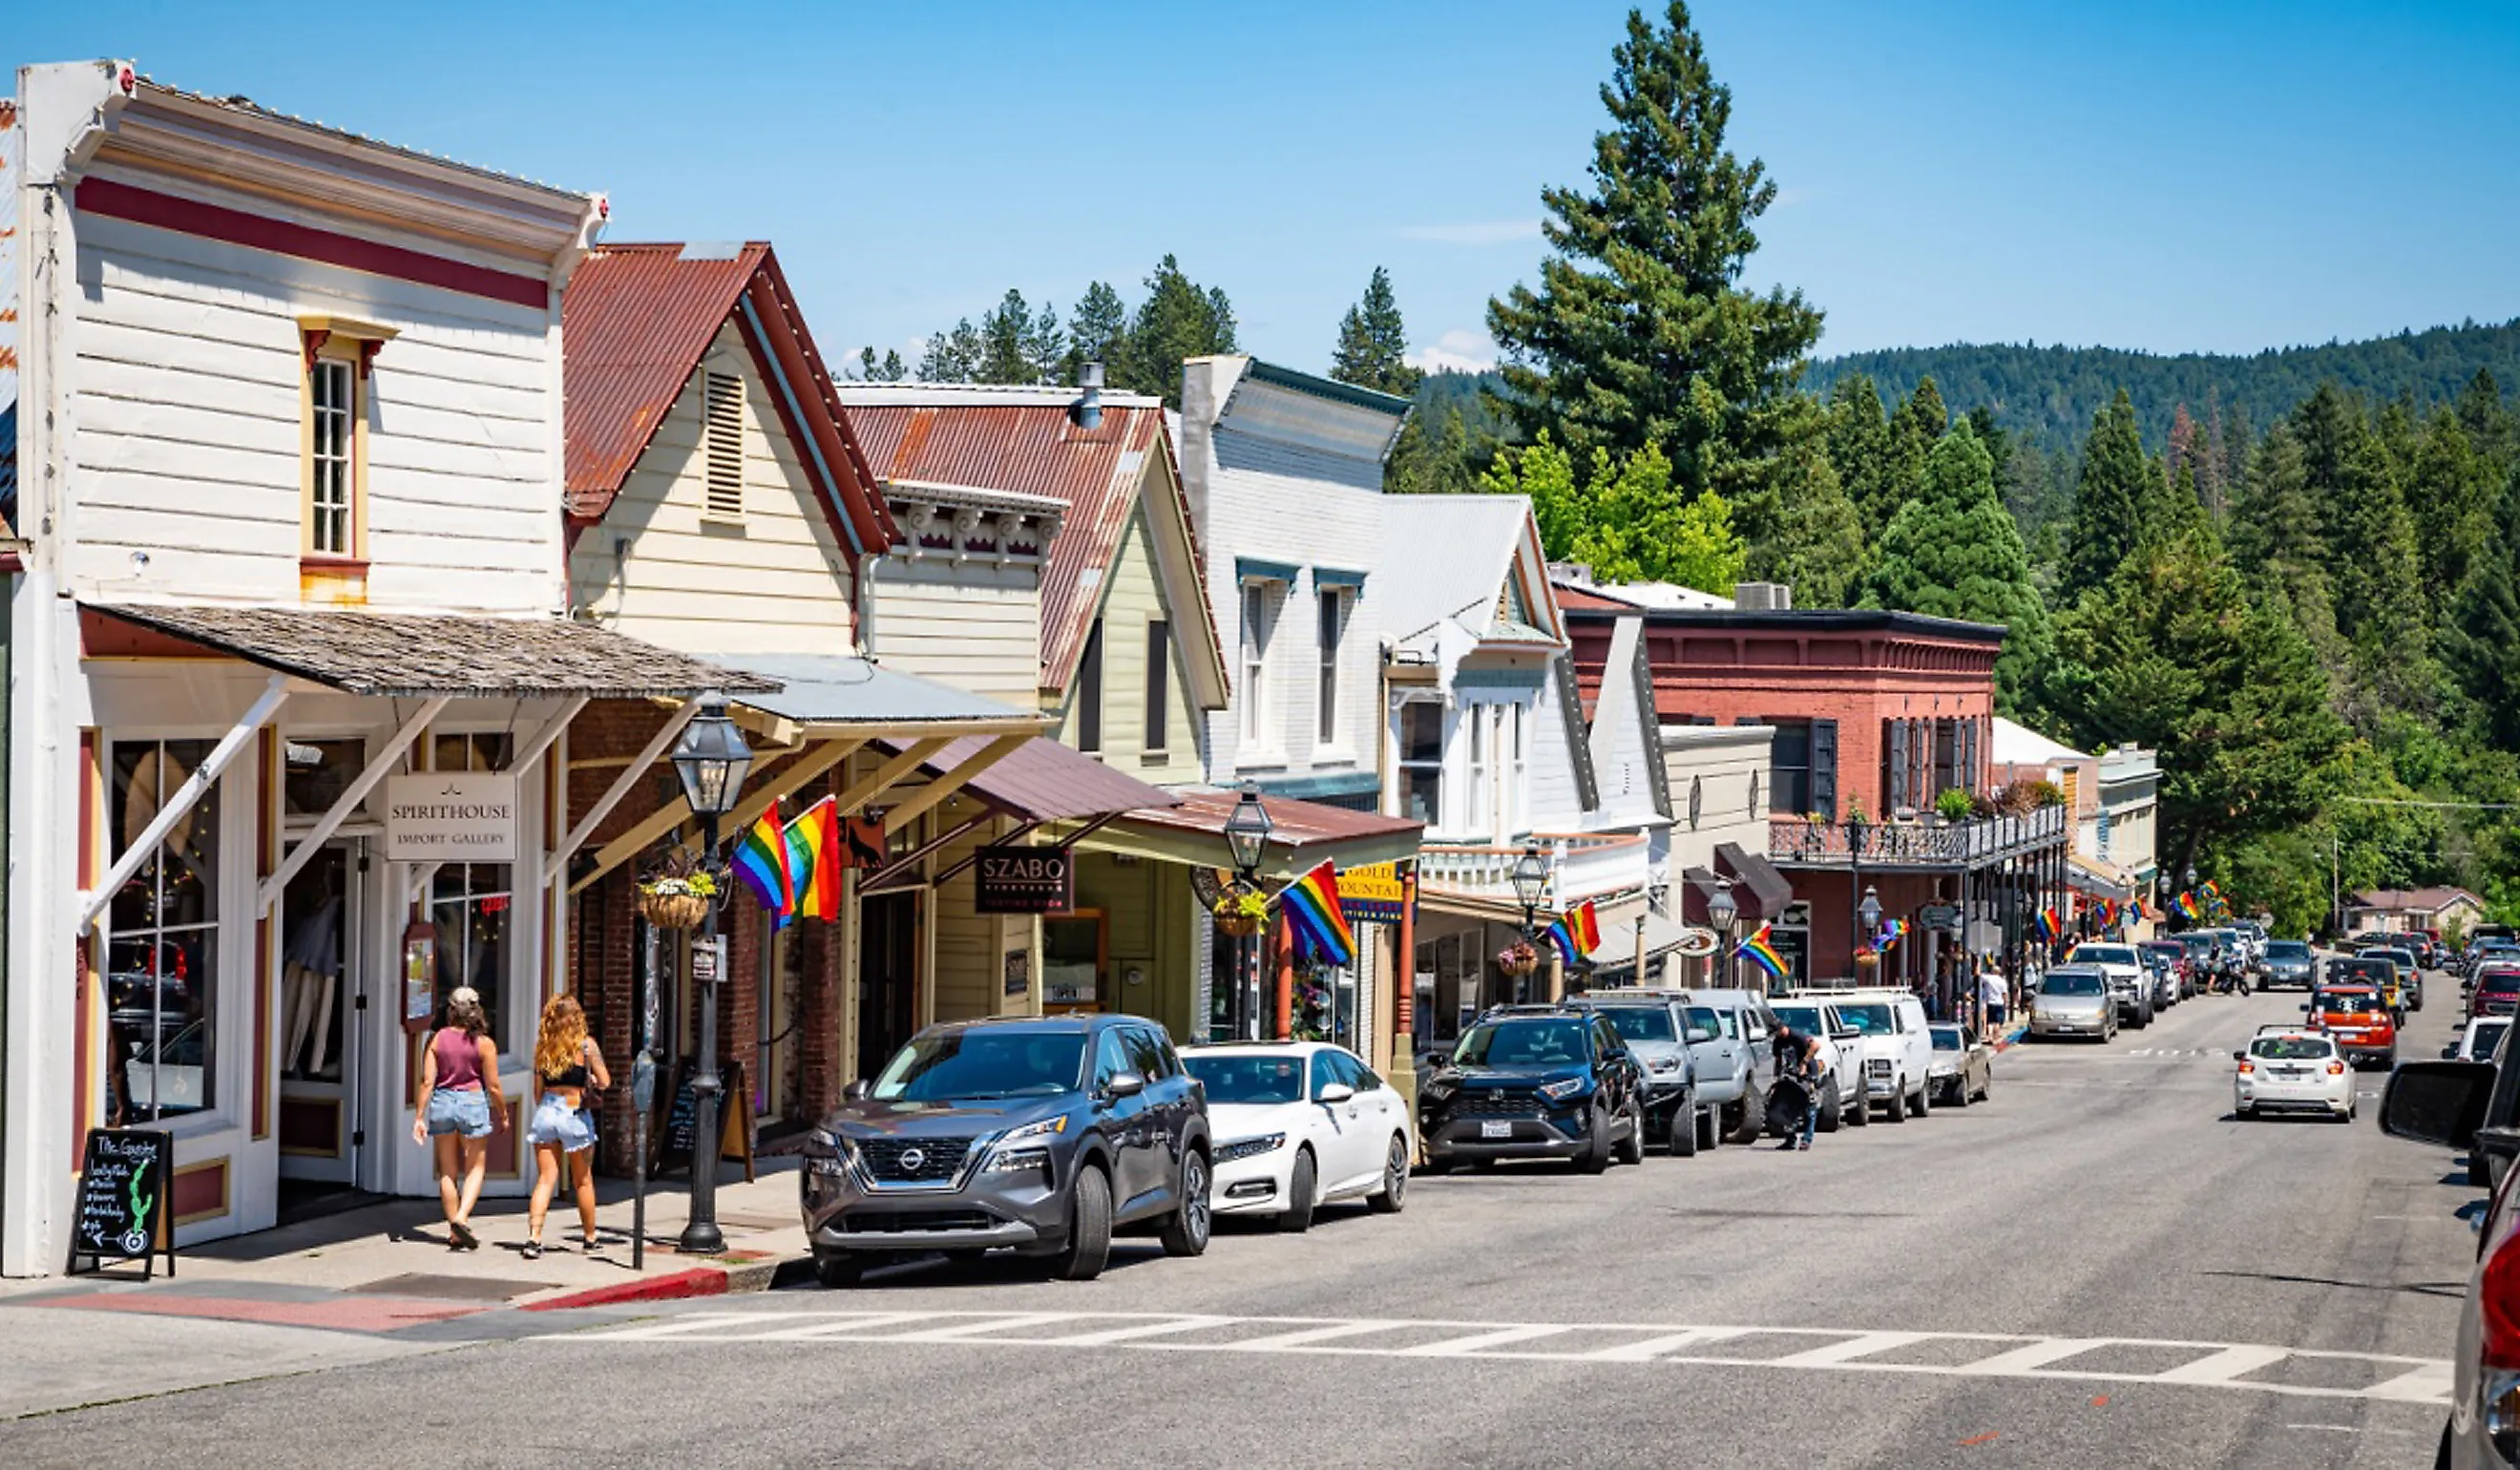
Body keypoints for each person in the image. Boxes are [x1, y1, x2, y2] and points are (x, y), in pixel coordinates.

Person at [411, 987, 502, 1250]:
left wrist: (419, 1116)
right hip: (473, 1102)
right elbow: (494, 1085)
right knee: (476, 1167)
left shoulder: (437, 1039)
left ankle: (454, 1230)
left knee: (447, 1171)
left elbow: (427, 1081)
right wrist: (503, 1113)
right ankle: (461, 1218)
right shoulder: (484, 1043)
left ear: (450, 1010)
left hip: (442, 1102)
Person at [523, 994, 612, 1261]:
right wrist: (594, 1078)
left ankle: (534, 1238)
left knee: (545, 1178)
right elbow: (605, 1082)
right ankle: (590, 1237)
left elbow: (537, 1092)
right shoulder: (586, 1047)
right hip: (574, 1112)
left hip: (547, 1111)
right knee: (582, 1180)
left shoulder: (543, 1047)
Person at [1770, 1022, 1827, 1151]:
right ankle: (1790, 1140)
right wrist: (1777, 1076)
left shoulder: (1797, 1035)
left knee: (1809, 1108)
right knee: (1789, 1108)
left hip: (1807, 1074)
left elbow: (1816, 1045)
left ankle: (1806, 1140)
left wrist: (1805, 1062)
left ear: (1782, 1028)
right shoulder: (1777, 1041)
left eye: (1778, 1032)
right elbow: (1778, 1059)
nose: (1777, 1035)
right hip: (1791, 1076)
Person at [1979, 965, 2006, 1036]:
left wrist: (1978, 963)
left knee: (1990, 1022)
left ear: (1992, 971)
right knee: (1997, 1022)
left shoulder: (1989, 978)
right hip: (1999, 1003)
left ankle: (1989, 1037)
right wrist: (2005, 1003)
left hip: (1990, 1002)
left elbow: (1978, 974)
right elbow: (2004, 993)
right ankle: (1995, 1036)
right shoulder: (2002, 981)